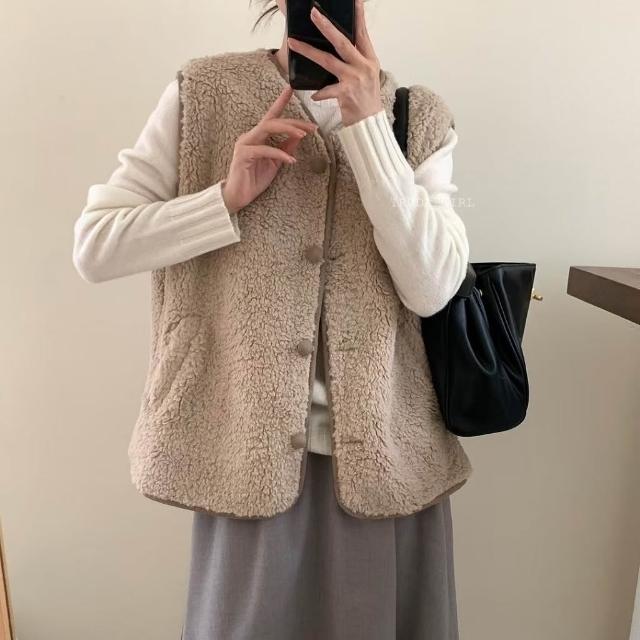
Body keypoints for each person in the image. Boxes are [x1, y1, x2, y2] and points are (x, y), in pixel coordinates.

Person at [72, 0, 473, 637]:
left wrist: (369, 126)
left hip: (387, 465)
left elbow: (433, 287)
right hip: (245, 460)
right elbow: (97, 247)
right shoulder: (203, 93)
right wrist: (224, 199)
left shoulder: (416, 116)